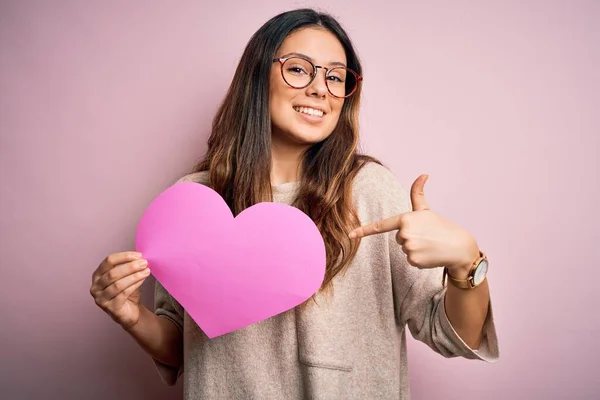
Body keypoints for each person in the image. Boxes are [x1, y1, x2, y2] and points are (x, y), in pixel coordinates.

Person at [89, 8, 499, 399]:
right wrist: (130, 315)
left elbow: (454, 334)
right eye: (299, 69)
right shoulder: (192, 201)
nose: (321, 88)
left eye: (337, 77)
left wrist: (467, 263)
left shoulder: (370, 190)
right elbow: (186, 348)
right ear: (257, 76)